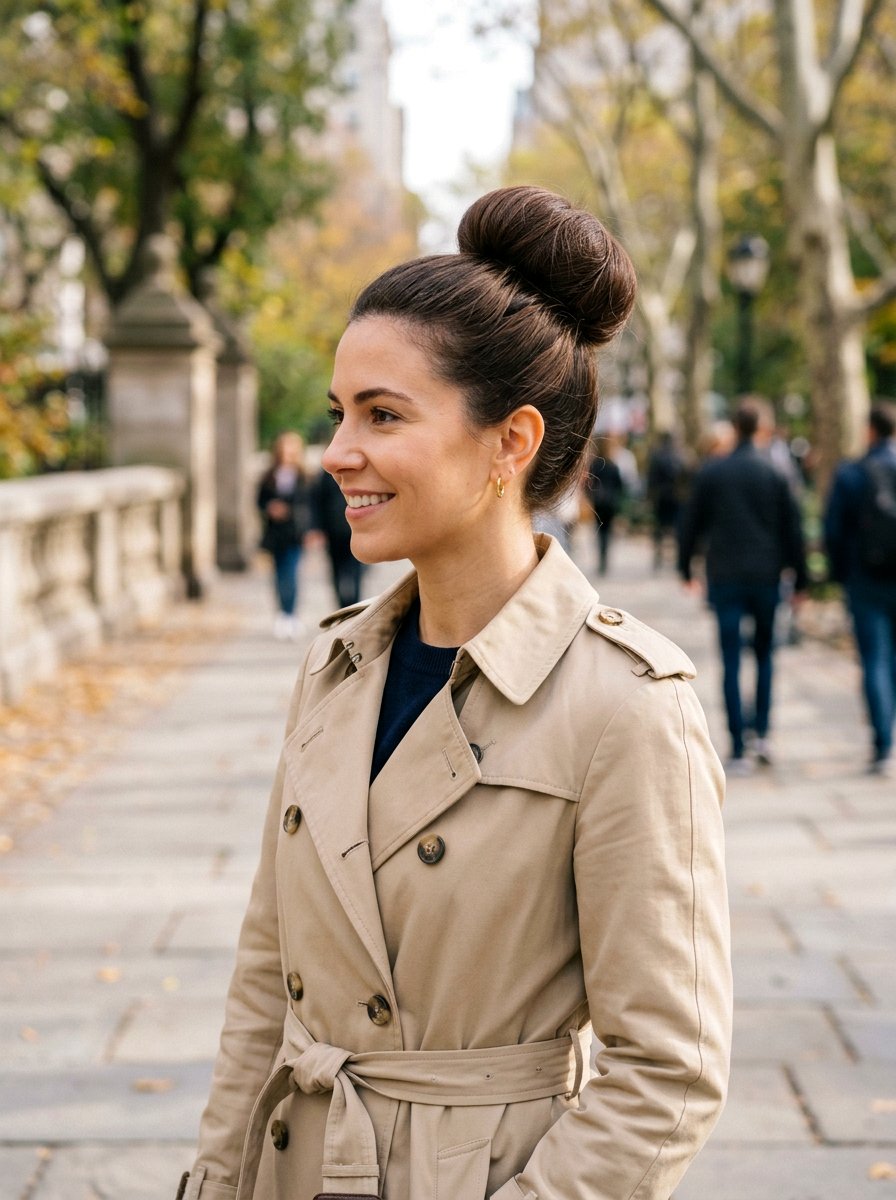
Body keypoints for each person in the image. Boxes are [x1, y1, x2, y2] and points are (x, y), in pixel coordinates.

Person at [178, 186, 731, 1200]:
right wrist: (214, 1180)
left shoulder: (629, 705)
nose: (340, 449)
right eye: (338, 412)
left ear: (508, 444)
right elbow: (265, 982)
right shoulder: (334, 663)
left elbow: (666, 1075)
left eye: (383, 415)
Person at [678, 399, 808, 774]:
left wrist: (686, 566)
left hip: (726, 575)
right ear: (763, 428)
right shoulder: (777, 471)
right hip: (767, 576)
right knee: (766, 654)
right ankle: (762, 732)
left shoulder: (714, 472)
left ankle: (736, 744)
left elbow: (691, 524)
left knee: (731, 657)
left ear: (734, 427)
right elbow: (793, 530)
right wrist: (801, 578)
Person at [824, 402, 896, 777]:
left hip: (865, 579)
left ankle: (883, 744)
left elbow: (833, 530)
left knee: (874, 658)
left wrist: (840, 574)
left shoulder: (852, 473)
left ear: (869, 430)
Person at [257, 432, 311, 639]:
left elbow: (307, 504)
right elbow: (259, 501)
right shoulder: (269, 475)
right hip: (275, 534)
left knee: (291, 573)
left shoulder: (303, 476)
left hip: (295, 533)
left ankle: (291, 613)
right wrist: (270, 508)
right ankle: (282, 613)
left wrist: (290, 512)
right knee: (278, 575)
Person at [310, 464, 366, 608]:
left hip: (353, 531)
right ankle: (342, 605)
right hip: (333, 533)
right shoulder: (326, 474)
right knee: (336, 570)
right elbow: (317, 502)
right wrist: (317, 529)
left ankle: (355, 603)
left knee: (356, 570)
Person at [646, 430, 687, 570]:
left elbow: (651, 479)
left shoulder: (657, 456)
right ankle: (677, 557)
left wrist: (650, 496)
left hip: (661, 496)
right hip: (676, 497)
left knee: (659, 527)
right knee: (676, 527)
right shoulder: (679, 456)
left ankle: (658, 554)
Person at [584, 439, 625, 574]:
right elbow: (620, 486)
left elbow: (588, 483)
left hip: (599, 502)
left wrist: (591, 496)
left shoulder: (595, 465)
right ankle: (605, 558)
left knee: (600, 530)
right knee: (607, 531)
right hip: (610, 503)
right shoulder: (613, 466)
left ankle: (602, 558)